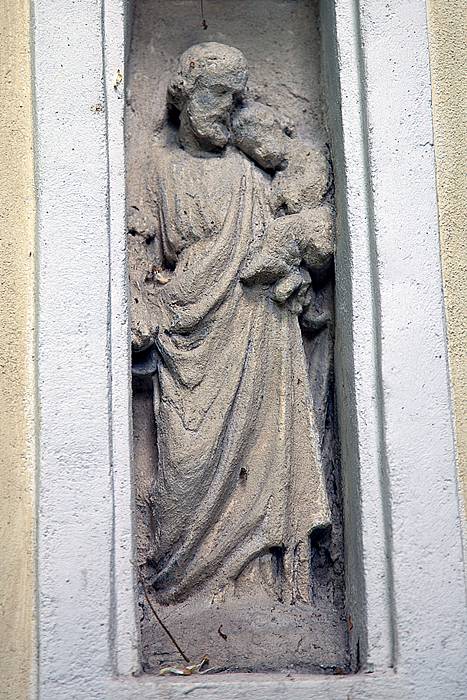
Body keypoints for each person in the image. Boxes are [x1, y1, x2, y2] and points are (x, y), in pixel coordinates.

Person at [137, 42, 332, 605]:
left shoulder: (251, 176)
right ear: (186, 96)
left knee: (263, 460)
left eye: (237, 97)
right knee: (184, 472)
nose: (230, 108)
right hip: (188, 335)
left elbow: (294, 243)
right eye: (220, 94)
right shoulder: (156, 167)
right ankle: (179, 579)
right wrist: (144, 305)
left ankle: (256, 586)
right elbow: (139, 247)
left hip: (258, 330)